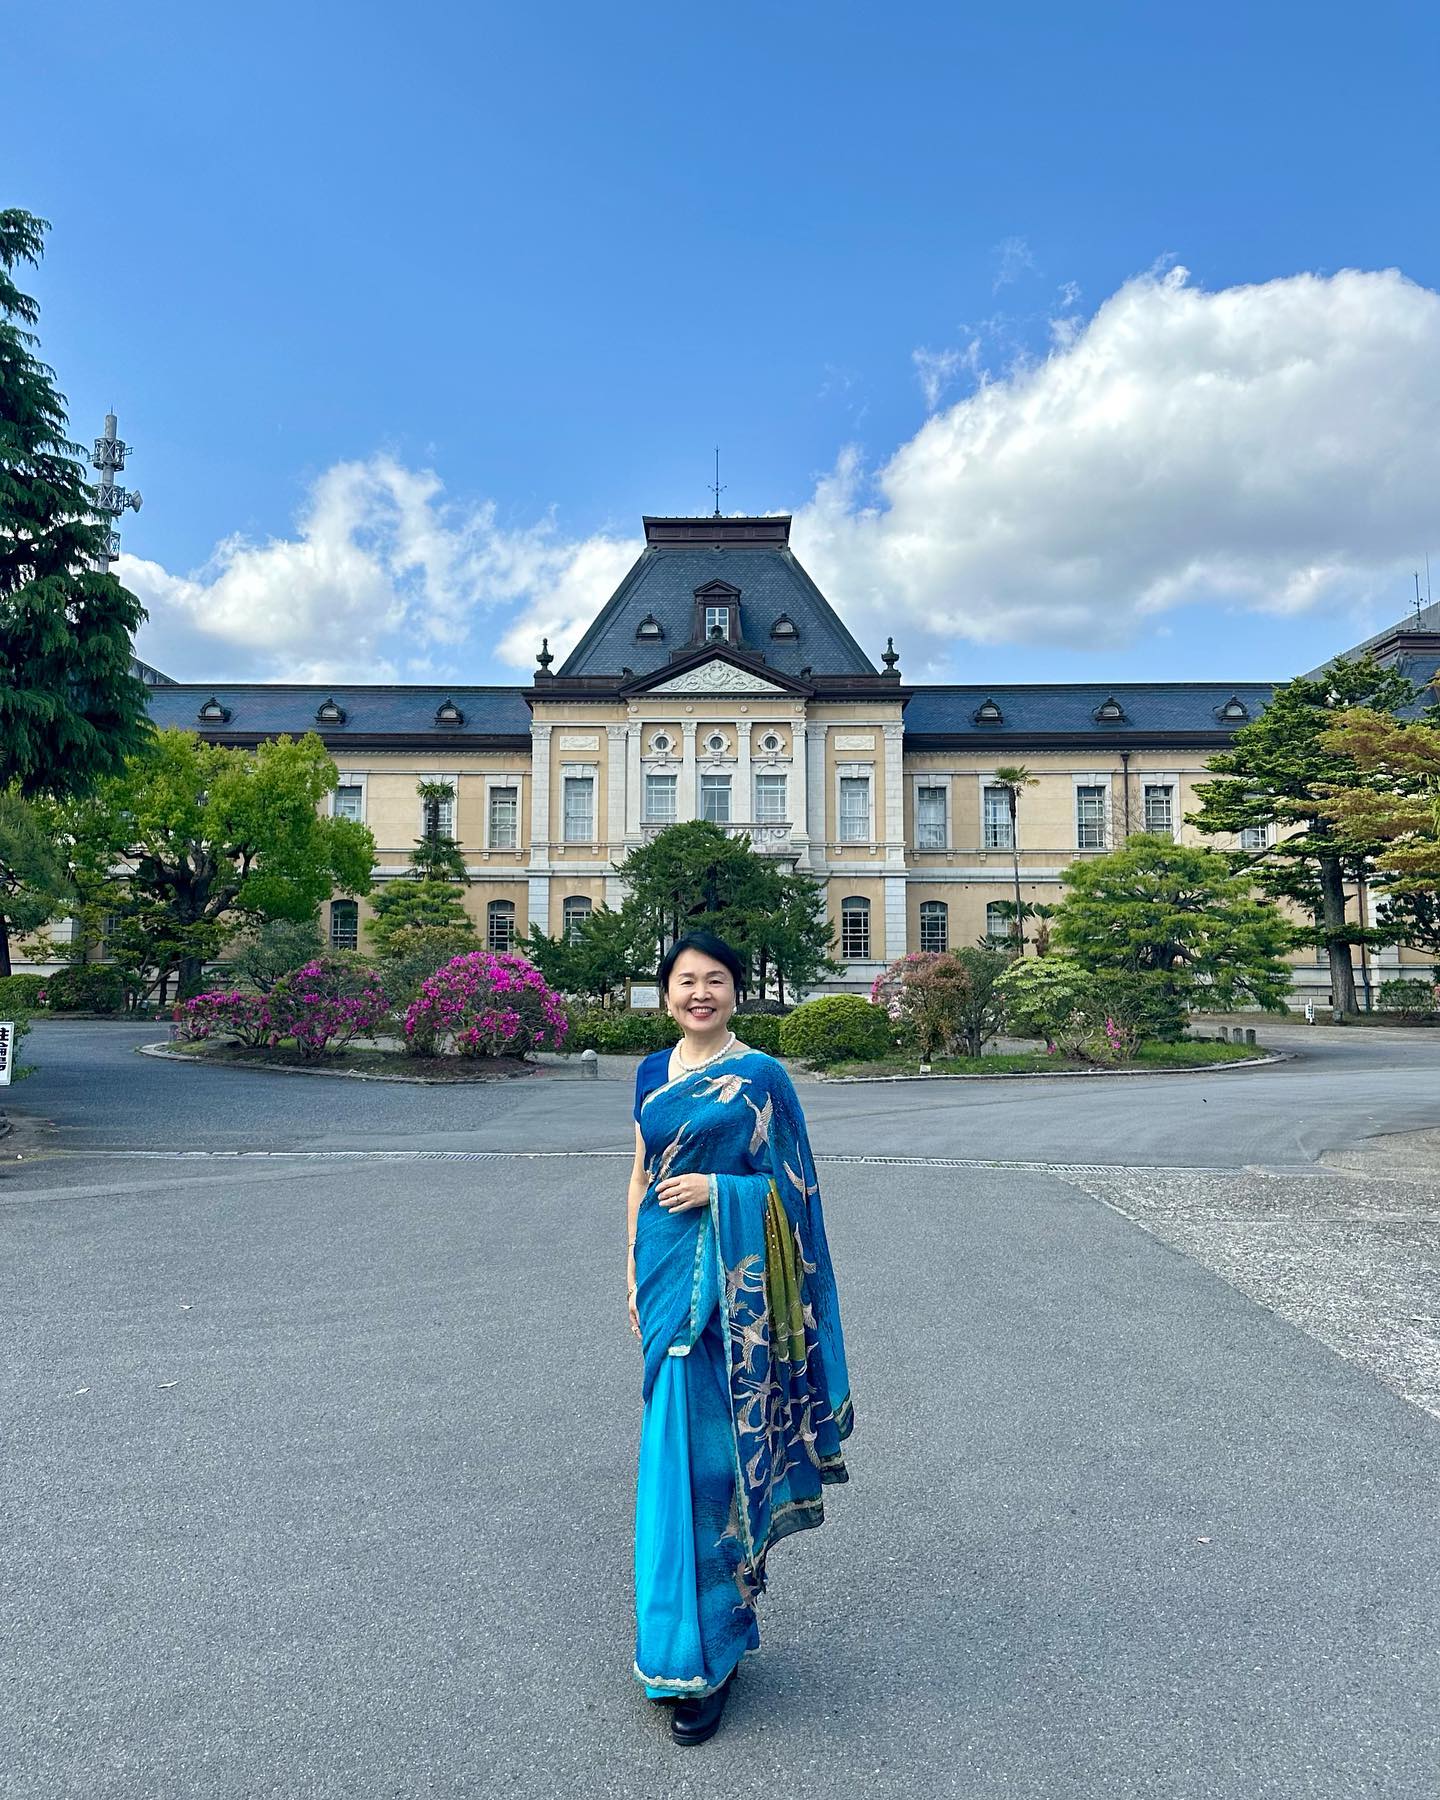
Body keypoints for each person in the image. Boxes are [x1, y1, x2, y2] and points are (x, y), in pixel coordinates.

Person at [625, 929, 853, 1746]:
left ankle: (715, 1655)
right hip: (665, 1281)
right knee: (667, 1470)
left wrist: (721, 1189)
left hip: (736, 1302)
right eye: (686, 980)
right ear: (666, 994)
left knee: (715, 1470)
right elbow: (639, 1175)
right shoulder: (652, 1073)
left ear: (736, 991)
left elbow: (795, 1193)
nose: (700, 993)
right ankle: (670, 1650)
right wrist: (630, 1270)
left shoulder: (762, 1078)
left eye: (715, 980)